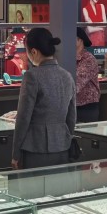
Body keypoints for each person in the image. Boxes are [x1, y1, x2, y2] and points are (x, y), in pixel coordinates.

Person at [12, 28, 77, 169]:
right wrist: (67, 137)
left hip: (35, 147)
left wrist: (15, 153)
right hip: (62, 145)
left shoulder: (31, 76)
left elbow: (23, 118)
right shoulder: (67, 76)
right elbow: (72, 117)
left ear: (34, 52)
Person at [75, 28, 101, 122]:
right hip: (73, 106)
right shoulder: (70, 58)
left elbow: (77, 83)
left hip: (86, 108)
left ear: (80, 40)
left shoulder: (88, 59)